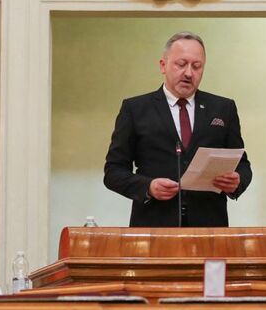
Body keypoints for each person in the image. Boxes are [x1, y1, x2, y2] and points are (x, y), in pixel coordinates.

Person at [103, 31, 252, 227]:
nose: (189, 73)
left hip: (209, 227)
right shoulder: (135, 109)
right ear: (163, 66)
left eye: (197, 66)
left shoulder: (223, 109)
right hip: (154, 226)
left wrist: (237, 181)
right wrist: (148, 187)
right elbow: (113, 171)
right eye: (181, 64)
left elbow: (242, 164)